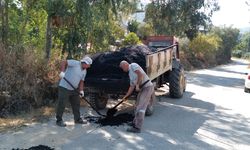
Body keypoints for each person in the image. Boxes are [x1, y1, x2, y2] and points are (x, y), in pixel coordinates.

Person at [56, 56, 92, 127]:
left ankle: (77, 119)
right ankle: (59, 120)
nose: (88, 67)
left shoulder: (84, 71)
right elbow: (64, 62)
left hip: (74, 89)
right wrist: (62, 72)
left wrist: (81, 90)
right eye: (88, 65)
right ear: (85, 63)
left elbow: (81, 81)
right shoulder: (75, 63)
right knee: (62, 103)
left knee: (76, 104)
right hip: (64, 87)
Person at [119, 60, 154, 133]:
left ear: (125, 65)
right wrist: (126, 96)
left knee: (141, 108)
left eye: (122, 68)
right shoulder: (130, 74)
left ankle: (137, 128)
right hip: (142, 89)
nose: (122, 70)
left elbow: (140, 74)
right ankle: (134, 122)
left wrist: (137, 85)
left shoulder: (133, 65)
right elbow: (131, 87)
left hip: (147, 87)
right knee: (137, 106)